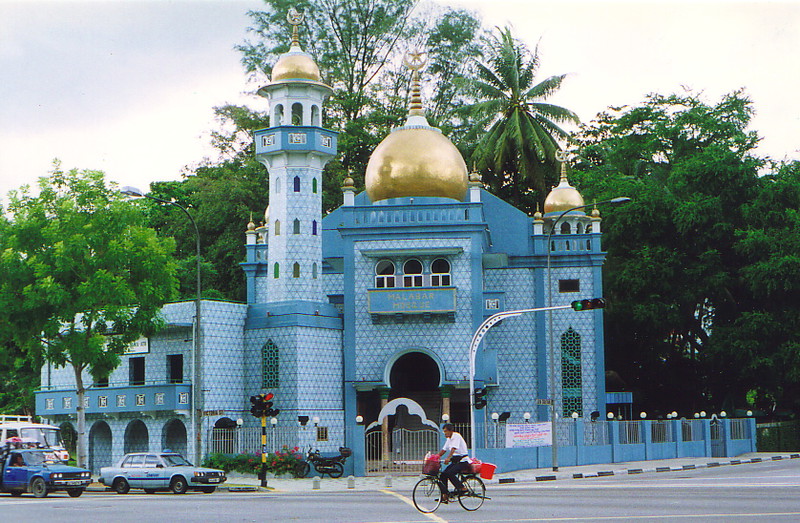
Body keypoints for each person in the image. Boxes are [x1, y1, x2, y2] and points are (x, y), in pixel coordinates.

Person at [437, 423, 469, 502]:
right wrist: (435, 457)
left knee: (450, 473)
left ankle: (462, 488)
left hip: (462, 461)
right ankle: (445, 495)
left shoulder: (456, 436)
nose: (444, 433)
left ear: (451, 431)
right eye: (444, 431)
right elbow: (444, 449)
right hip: (456, 461)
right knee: (443, 475)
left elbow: (453, 448)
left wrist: (448, 458)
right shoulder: (449, 439)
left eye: (446, 431)